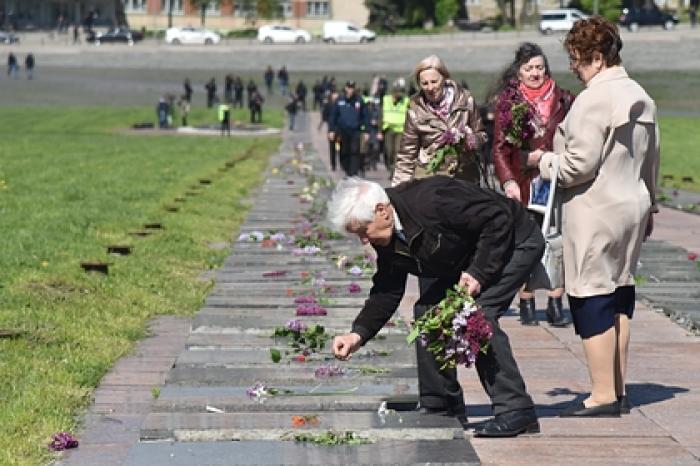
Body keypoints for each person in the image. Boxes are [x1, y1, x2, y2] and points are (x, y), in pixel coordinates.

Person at [329, 176, 543, 437]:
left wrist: (478, 272)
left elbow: (497, 217)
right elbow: (387, 289)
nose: (363, 240)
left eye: (363, 230)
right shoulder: (385, 236)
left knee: (477, 316)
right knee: (428, 312)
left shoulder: (433, 199)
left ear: (382, 211)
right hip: (466, 257)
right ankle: (441, 405)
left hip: (514, 241)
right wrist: (357, 334)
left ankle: (516, 409)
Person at [527, 17, 659, 417]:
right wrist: (650, 204)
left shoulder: (593, 99)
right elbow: (652, 159)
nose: (573, 67)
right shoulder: (641, 95)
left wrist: (542, 160)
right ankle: (616, 388)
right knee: (620, 292)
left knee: (590, 295)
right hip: (632, 202)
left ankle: (602, 394)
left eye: (577, 59)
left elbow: (577, 166)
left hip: (596, 207)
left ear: (598, 58)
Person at [491, 42, 575, 327]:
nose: (535, 73)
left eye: (540, 67)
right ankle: (526, 300)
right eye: (529, 69)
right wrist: (509, 180)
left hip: (558, 179)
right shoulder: (509, 103)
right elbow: (500, 148)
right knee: (528, 242)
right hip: (525, 182)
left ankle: (555, 301)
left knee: (560, 241)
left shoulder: (564, 100)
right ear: (519, 72)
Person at [392, 55, 487, 187]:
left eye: (434, 81)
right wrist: (398, 190)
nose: (430, 88)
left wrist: (470, 140)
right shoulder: (415, 110)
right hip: (430, 178)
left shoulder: (465, 100)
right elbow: (406, 155)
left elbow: (482, 135)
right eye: (424, 83)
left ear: (444, 78)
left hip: (464, 176)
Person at [328, 80, 369, 177]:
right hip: (343, 131)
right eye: (349, 87)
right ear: (345, 88)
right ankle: (347, 169)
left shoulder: (359, 100)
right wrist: (332, 130)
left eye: (352, 88)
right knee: (343, 151)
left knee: (354, 151)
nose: (350, 90)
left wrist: (366, 131)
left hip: (355, 131)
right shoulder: (339, 100)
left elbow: (365, 116)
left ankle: (353, 173)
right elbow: (333, 116)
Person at [381, 78, 409, 176]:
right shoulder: (386, 99)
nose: (400, 95)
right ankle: (390, 166)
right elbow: (381, 115)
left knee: (398, 151)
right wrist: (379, 130)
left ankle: (394, 171)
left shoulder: (406, 101)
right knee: (389, 151)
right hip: (389, 129)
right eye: (398, 92)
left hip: (401, 130)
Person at [320, 90, 340, 171]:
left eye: (336, 95)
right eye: (334, 95)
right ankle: (333, 164)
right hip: (331, 129)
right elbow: (324, 116)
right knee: (332, 148)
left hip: (340, 129)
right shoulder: (328, 105)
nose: (335, 96)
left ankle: (341, 162)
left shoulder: (340, 104)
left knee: (340, 147)